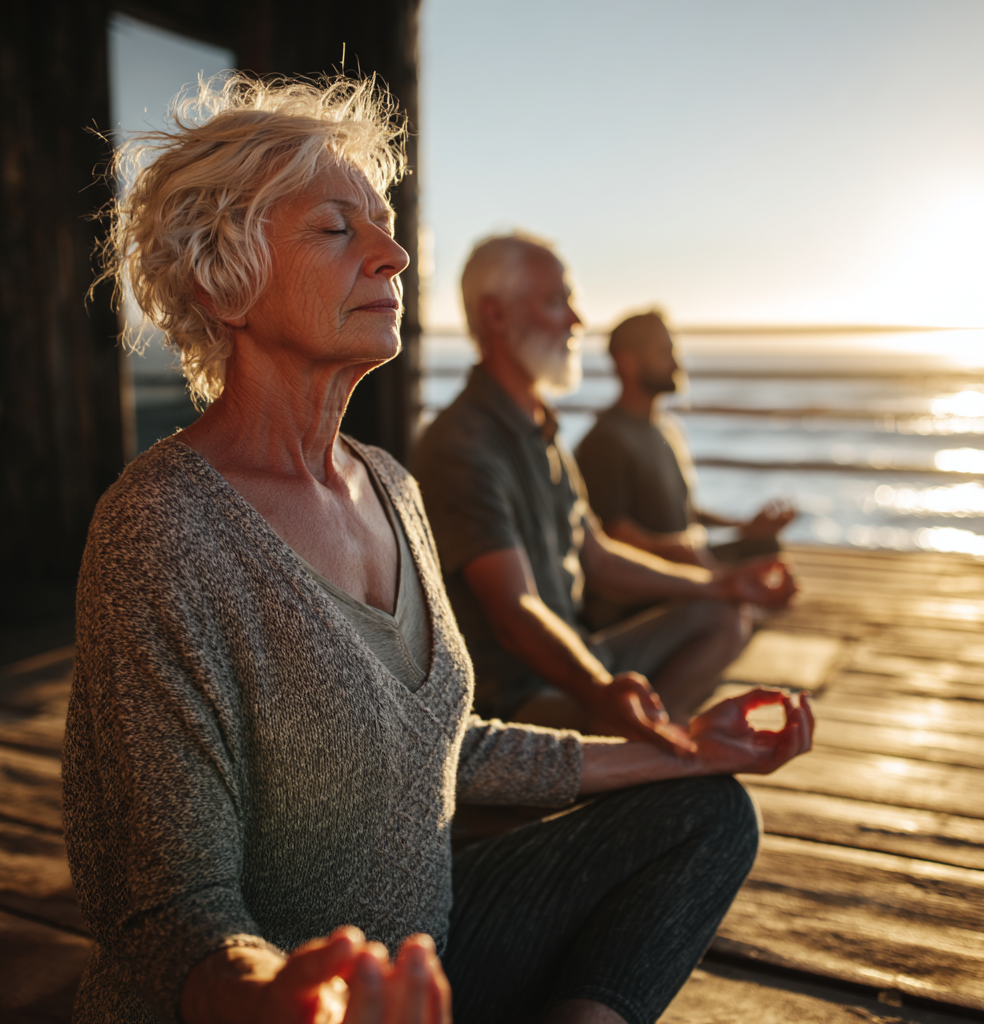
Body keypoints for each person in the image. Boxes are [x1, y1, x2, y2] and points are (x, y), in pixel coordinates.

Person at [63, 77, 814, 1024]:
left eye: (384, 225)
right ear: (225, 275)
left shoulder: (392, 485)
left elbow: (443, 749)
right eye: (339, 230)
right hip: (281, 1003)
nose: (396, 254)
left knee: (708, 815)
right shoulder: (163, 530)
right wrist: (293, 998)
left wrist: (683, 751)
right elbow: (166, 912)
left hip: (434, 954)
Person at [412, 234, 798, 734]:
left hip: (580, 651)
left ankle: (649, 750)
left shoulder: (542, 431)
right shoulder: (461, 446)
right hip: (517, 698)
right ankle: (645, 754)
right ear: (497, 316)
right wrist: (599, 690)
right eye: (556, 301)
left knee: (720, 615)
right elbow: (514, 614)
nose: (577, 320)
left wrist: (718, 583)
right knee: (719, 798)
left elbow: (597, 555)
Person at [575, 310, 795, 628]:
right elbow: (612, 537)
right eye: (664, 353)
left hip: (688, 559)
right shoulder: (605, 440)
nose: (677, 363)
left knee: (765, 550)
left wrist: (744, 527)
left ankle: (737, 606)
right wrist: (681, 552)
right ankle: (732, 611)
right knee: (734, 595)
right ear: (627, 362)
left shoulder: (667, 428)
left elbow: (682, 508)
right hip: (645, 587)